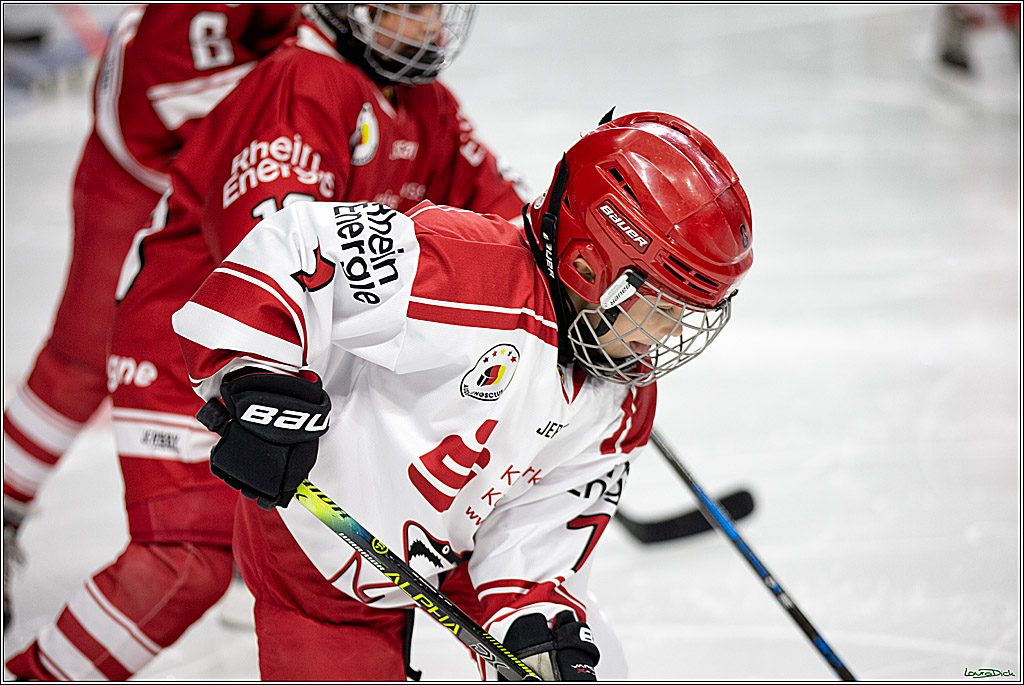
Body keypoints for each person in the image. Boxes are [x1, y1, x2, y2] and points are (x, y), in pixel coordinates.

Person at [5, 3, 529, 681]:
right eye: (412, 11)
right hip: (198, 338)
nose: (434, 30)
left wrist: (567, 281)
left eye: (439, 12)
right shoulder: (301, 85)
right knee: (184, 560)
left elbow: (502, 216)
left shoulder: (423, 101)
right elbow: (272, 255)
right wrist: (275, 377)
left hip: (285, 353)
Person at [168, 110, 754, 680]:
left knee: (588, 664)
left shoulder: (623, 400)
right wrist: (255, 378)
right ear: (592, 264)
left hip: (458, 552)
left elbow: (548, 518)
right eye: (662, 308)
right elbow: (294, 247)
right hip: (318, 550)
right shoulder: (458, 269)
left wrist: (534, 614)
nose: (667, 335)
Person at [2, 3, 300, 635]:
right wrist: (302, 91)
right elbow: (158, 92)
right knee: (81, 363)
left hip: (231, 182)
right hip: (144, 181)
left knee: (272, 355)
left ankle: (254, 526)